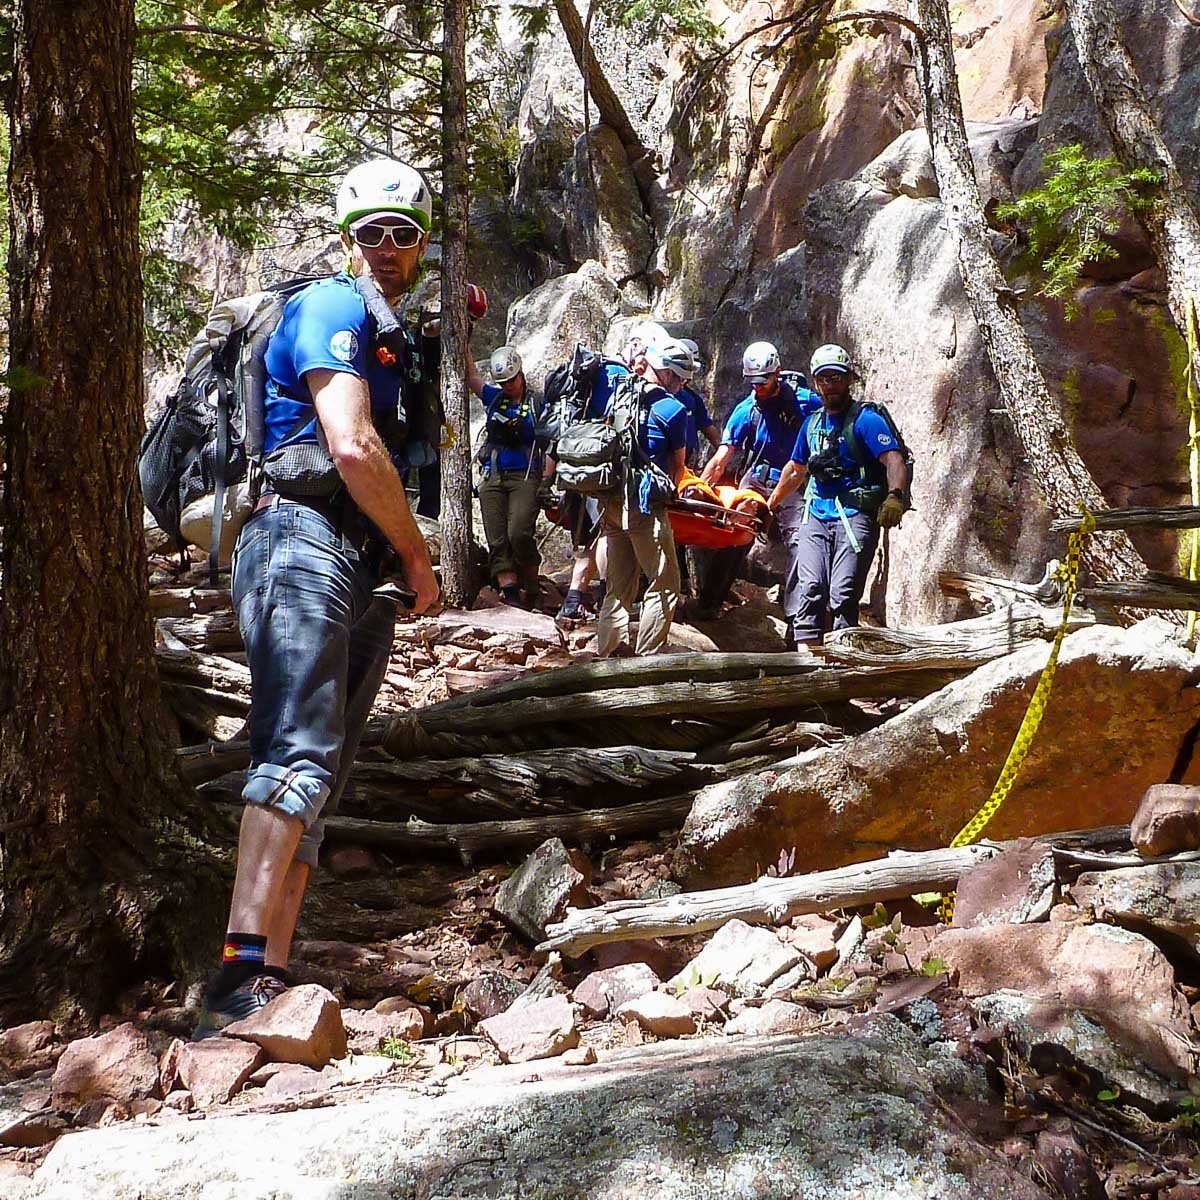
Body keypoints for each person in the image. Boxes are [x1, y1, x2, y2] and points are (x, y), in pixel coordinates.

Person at [194, 157, 440, 1035]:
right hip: (301, 536)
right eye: (369, 232)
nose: (384, 247)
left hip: (353, 554)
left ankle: (274, 982)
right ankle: (234, 978)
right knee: (296, 750)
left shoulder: (393, 332)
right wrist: (419, 556)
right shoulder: (333, 306)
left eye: (401, 233)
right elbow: (351, 444)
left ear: (420, 248)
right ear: (347, 240)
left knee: (324, 772)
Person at [766, 342, 908, 646]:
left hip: (854, 515)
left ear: (848, 380)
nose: (830, 385)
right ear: (815, 382)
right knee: (810, 586)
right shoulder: (812, 423)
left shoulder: (866, 421)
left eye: (836, 378)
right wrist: (771, 504)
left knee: (843, 593)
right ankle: (809, 661)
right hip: (815, 513)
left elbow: (893, 458)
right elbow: (795, 469)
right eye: (823, 379)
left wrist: (895, 495)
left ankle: (842, 663)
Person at [692, 340, 821, 620]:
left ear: (778, 373)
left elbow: (832, 422)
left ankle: (797, 617)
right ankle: (709, 601)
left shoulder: (806, 402)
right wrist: (697, 490)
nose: (758, 387)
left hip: (793, 480)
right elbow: (722, 457)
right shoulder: (747, 409)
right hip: (757, 479)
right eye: (753, 382)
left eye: (763, 381)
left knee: (801, 541)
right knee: (734, 531)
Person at [596, 338, 693, 658]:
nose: (681, 385)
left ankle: (608, 655)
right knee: (664, 585)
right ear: (666, 374)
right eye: (679, 378)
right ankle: (648, 659)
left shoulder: (618, 397)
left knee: (618, 588)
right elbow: (678, 467)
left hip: (611, 503)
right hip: (645, 509)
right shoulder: (675, 410)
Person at [466, 344, 543, 608]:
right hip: (493, 475)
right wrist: (466, 338)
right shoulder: (494, 398)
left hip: (525, 474)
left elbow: (551, 442)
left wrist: (546, 481)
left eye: (512, 379)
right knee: (497, 538)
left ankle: (532, 587)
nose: (508, 385)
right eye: (503, 382)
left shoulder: (537, 403)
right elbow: (473, 378)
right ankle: (510, 594)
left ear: (521, 374)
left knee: (519, 533)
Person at [675, 337, 720, 467]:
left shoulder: (692, 398)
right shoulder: (659, 395)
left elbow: (707, 427)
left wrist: (722, 456)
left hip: (687, 464)